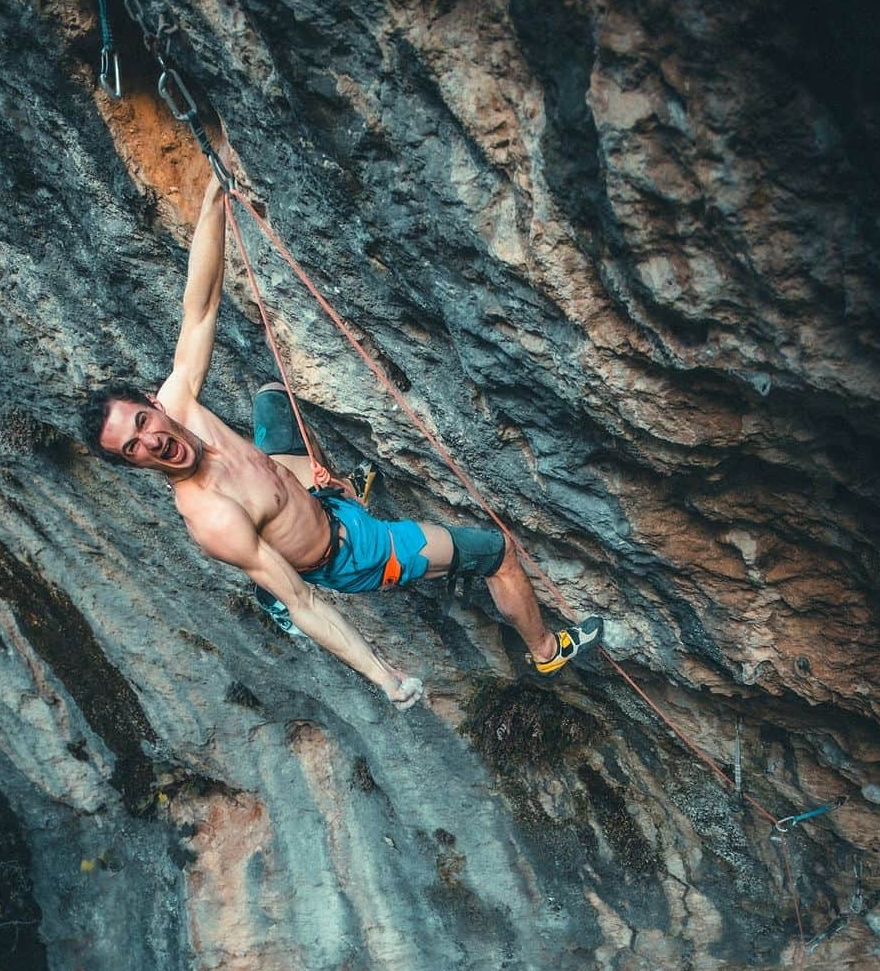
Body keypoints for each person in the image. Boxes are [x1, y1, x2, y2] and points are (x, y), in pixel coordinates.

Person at [81, 173, 601, 708]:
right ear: (135, 465)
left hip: (305, 494)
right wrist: (383, 676)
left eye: (143, 423)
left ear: (152, 404)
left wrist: (212, 196)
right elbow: (306, 601)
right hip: (353, 551)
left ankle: (337, 489)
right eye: (133, 449)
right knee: (495, 552)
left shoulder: (181, 403)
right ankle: (544, 651)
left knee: (272, 398)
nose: (151, 442)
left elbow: (201, 306)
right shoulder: (212, 517)